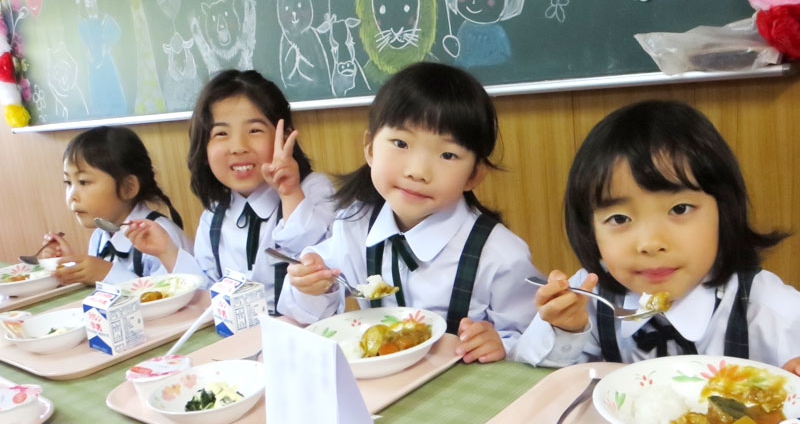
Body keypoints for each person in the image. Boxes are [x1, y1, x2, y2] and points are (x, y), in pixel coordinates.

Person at [279, 62, 541, 363]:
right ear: (370, 148)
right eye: (400, 143)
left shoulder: (501, 255)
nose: (417, 172)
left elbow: (534, 342)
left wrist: (502, 345)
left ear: (474, 175)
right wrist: (312, 287)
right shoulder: (354, 226)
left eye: (448, 154)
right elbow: (309, 315)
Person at [512, 99, 800, 373]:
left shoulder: (767, 307)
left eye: (679, 209)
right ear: (591, 231)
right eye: (620, 218)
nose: (650, 243)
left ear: (724, 213)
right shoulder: (588, 297)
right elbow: (530, 370)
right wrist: (565, 330)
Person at [126, 69, 335, 312]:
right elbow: (208, 295)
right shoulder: (214, 215)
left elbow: (320, 264)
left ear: (285, 136)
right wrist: (167, 251)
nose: (237, 147)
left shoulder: (314, 189)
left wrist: (289, 194)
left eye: (254, 130)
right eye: (221, 133)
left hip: (302, 338)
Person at [41, 126, 191, 285]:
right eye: (68, 182)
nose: (72, 196)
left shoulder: (161, 235)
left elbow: (174, 294)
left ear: (128, 187)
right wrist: (72, 267)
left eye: (83, 182)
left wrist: (106, 273)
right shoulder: (99, 236)